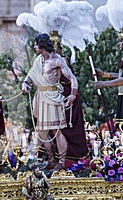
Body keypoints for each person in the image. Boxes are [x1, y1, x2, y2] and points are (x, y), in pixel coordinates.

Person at [22, 33, 78, 170]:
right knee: (42, 131)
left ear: (42, 45)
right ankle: (51, 160)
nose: (35, 47)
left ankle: (62, 162)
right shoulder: (38, 60)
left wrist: (72, 95)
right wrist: (25, 83)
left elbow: (73, 78)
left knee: (56, 131)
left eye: (36, 45)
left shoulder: (57, 60)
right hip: (40, 97)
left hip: (53, 97)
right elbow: (30, 75)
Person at [53, 37, 88, 160]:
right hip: (53, 100)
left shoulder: (63, 61)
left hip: (67, 99)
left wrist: (72, 94)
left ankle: (68, 159)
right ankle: (54, 158)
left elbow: (71, 79)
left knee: (67, 127)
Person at [94, 32, 123, 128]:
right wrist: (104, 74)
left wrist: (104, 84)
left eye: (121, 41)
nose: (119, 43)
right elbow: (122, 75)